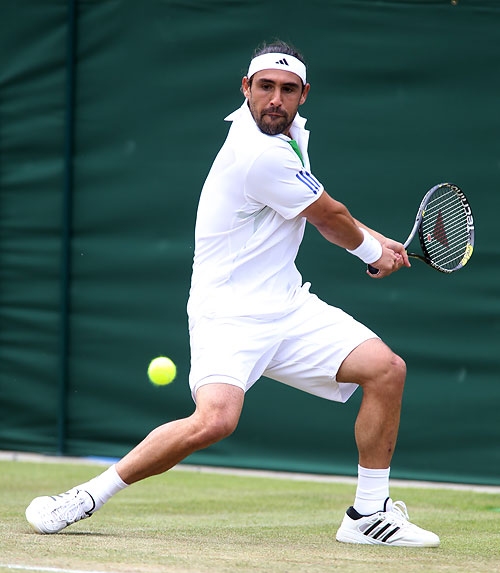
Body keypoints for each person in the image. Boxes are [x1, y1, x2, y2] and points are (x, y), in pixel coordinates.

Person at [25, 40, 439, 547]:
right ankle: (86, 496)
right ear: (246, 88)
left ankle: (369, 515)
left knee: (386, 370)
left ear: (304, 95)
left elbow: (322, 205)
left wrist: (377, 241)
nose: (275, 99)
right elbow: (330, 218)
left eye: (287, 89)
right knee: (214, 422)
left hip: (288, 305)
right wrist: (372, 252)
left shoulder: (290, 138)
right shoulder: (257, 152)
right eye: (265, 86)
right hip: (229, 314)